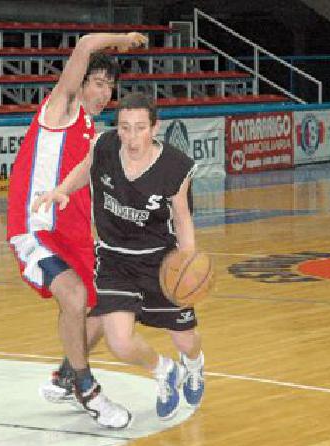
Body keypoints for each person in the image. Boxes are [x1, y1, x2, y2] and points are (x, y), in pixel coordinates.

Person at [33, 92, 205, 421]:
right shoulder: (105, 146)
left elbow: (182, 218)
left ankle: (194, 366)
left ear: (154, 128)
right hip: (114, 259)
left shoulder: (175, 166)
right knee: (120, 342)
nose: (131, 136)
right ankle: (164, 372)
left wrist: (189, 259)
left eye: (140, 128)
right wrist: (61, 190)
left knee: (185, 341)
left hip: (160, 260)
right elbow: (86, 168)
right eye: (125, 127)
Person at [6, 31, 147, 429]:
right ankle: (88, 388)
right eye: (99, 83)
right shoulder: (60, 110)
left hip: (76, 237)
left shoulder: (94, 136)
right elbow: (85, 44)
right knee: (73, 295)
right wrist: (121, 39)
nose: (105, 93)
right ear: (81, 82)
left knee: (108, 307)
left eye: (110, 87)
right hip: (36, 227)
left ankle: (67, 372)